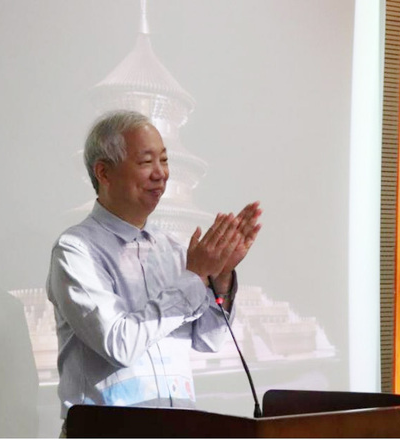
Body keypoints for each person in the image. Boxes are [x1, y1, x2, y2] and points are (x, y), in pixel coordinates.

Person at [46, 110, 261, 431]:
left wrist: (221, 277)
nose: (161, 174)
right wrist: (194, 277)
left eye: (164, 160)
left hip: (177, 430)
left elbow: (208, 339)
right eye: (146, 162)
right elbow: (119, 344)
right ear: (104, 172)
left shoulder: (172, 248)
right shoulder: (76, 250)